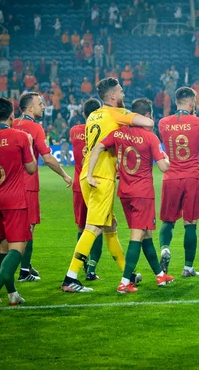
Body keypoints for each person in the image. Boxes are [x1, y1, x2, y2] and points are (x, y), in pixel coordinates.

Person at [60, 78, 154, 293]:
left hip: (87, 174)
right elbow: (148, 123)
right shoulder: (116, 113)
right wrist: (130, 120)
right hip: (101, 177)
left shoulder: (93, 115)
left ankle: (128, 274)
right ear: (112, 95)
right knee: (93, 227)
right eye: (120, 90)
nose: (123, 93)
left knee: (110, 226)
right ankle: (70, 277)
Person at [87, 98, 174, 293]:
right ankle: (125, 282)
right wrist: (168, 159)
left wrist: (90, 174)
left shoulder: (117, 133)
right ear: (148, 116)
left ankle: (160, 276)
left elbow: (97, 148)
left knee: (146, 236)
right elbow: (163, 167)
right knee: (137, 236)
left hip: (125, 192)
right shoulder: (151, 137)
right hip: (142, 193)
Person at [0, 98, 38, 312]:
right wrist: (30, 147)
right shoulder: (21, 136)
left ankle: (12, 294)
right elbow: (31, 168)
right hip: (14, 199)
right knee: (19, 247)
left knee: (3, 247)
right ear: (12, 115)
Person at [13, 92, 73, 282]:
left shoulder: (12, 124)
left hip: (9, 184)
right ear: (30, 108)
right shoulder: (35, 128)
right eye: (40, 103)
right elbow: (47, 158)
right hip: (28, 185)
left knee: (14, 226)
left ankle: (25, 263)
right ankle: (24, 272)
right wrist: (64, 174)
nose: (43, 106)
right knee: (28, 227)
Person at [157, 87, 199, 277]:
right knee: (190, 222)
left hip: (171, 176)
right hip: (191, 178)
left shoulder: (164, 123)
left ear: (176, 101)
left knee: (168, 220)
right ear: (191, 102)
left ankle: (165, 248)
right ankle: (188, 267)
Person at [69, 99, 104, 281]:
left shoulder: (74, 131)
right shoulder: (103, 131)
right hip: (97, 184)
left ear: (83, 114)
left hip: (78, 185)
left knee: (81, 227)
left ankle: (79, 264)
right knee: (97, 226)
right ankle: (91, 268)